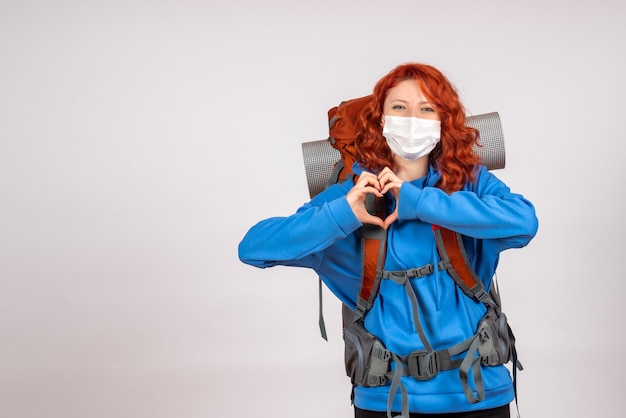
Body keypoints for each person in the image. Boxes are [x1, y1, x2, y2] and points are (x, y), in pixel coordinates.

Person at [238, 63, 538, 418]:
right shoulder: (351, 197)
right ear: (380, 120)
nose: (413, 119)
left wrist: (419, 203)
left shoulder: (469, 183)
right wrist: (342, 215)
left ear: (443, 122)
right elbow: (253, 248)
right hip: (388, 404)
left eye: (427, 109)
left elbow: (524, 223)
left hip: (480, 396)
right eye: (399, 108)